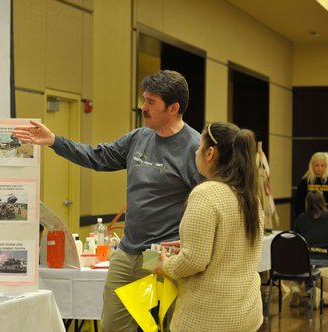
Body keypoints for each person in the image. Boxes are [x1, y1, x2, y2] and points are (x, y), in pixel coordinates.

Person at [13, 70, 203, 331]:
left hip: (162, 256)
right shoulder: (139, 138)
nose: (143, 107)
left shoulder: (195, 148)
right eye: (144, 99)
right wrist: (54, 141)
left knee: (162, 326)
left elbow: (207, 205)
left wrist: (191, 242)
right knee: (113, 326)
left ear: (174, 107)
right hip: (129, 253)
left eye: (151, 102)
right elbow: (96, 156)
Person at [154, 122, 264, 331]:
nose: (196, 151)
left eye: (199, 146)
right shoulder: (251, 198)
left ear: (210, 153)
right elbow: (233, 247)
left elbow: (194, 261)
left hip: (210, 316)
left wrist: (165, 265)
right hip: (247, 312)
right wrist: (189, 244)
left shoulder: (205, 194)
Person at [292, 190, 328, 307]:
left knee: (309, 278)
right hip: (325, 265)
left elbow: (297, 238)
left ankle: (297, 289)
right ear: (323, 201)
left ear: (306, 202)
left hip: (305, 265)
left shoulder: (301, 218)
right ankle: (317, 293)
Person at [294, 152, 328, 218]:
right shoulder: (305, 182)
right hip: (309, 218)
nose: (319, 168)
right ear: (312, 166)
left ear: (326, 166)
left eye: (322, 165)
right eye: (317, 165)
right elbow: (298, 204)